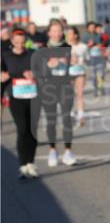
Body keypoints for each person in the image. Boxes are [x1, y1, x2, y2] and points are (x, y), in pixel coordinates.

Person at [32, 20, 77, 167]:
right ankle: (52, 151)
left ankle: (68, 151)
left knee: (66, 119)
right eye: (54, 31)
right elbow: (36, 71)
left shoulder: (69, 48)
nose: (57, 33)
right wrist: (48, 66)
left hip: (65, 87)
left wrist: (74, 63)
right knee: (51, 120)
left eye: (59, 30)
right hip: (48, 88)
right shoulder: (41, 50)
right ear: (49, 32)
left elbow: (75, 68)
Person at [2, 27, 40, 178]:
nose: (20, 45)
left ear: (26, 41)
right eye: (17, 42)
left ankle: (31, 163)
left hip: (33, 97)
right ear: (12, 41)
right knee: (22, 129)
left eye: (22, 42)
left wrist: (34, 74)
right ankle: (23, 165)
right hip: (15, 97)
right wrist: (2, 77)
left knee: (32, 131)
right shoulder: (5, 56)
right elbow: (2, 74)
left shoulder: (33, 54)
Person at [66, 26, 88, 128]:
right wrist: (70, 60)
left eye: (70, 34)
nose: (69, 36)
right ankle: (70, 114)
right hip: (69, 73)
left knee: (80, 94)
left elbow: (88, 59)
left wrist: (81, 60)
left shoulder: (83, 47)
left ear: (76, 35)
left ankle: (81, 115)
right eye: (67, 34)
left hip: (80, 72)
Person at [84, 22, 107, 97]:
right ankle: (95, 89)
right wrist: (89, 45)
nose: (92, 28)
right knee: (93, 76)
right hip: (91, 58)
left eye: (93, 27)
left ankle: (101, 86)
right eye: (90, 27)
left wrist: (100, 47)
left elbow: (103, 44)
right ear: (87, 28)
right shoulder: (85, 37)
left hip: (100, 57)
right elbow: (83, 48)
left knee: (101, 74)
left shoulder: (99, 35)